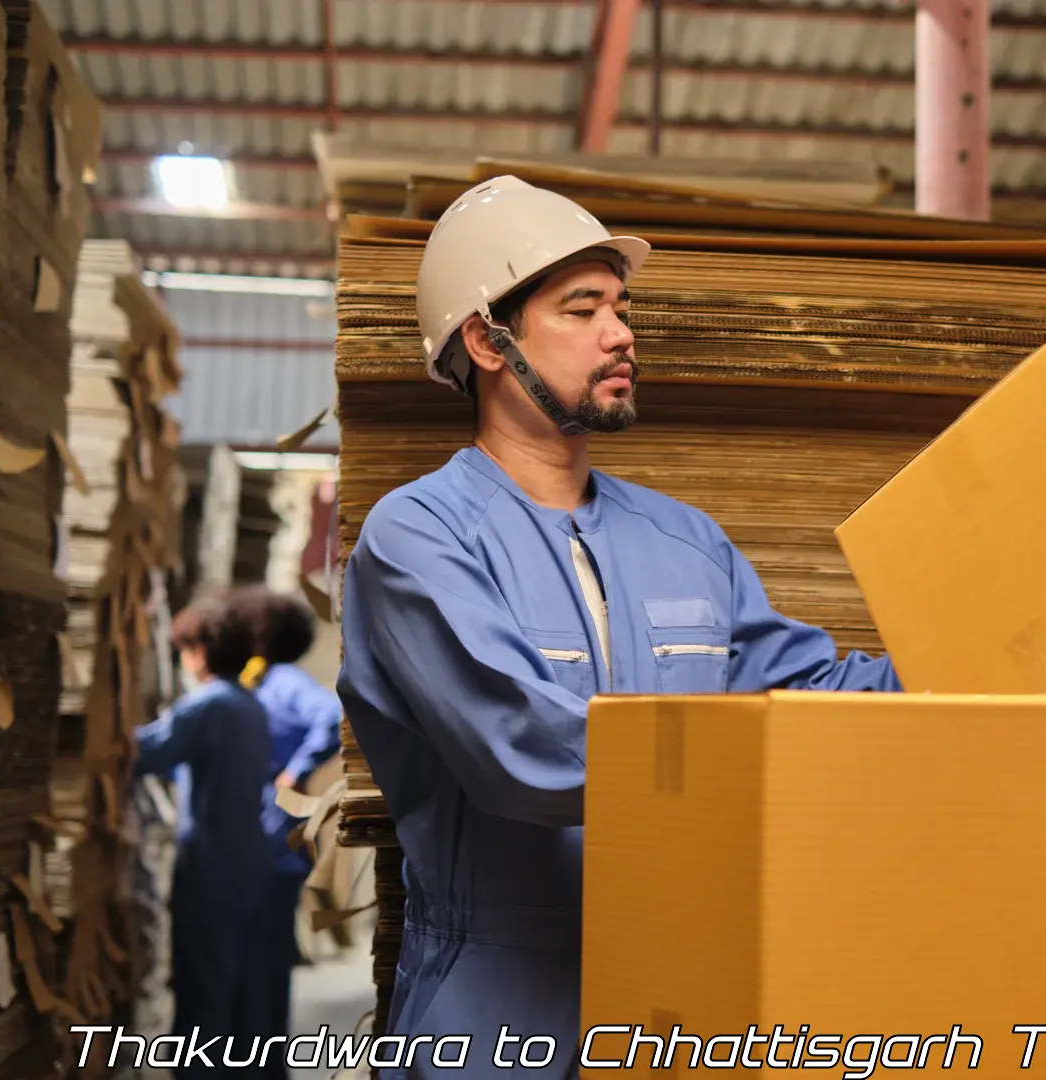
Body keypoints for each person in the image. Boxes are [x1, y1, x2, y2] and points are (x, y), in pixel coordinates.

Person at [336, 175, 902, 1079]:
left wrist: (991, 674)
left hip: (679, 993)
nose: (622, 332)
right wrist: (761, 756)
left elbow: (809, 690)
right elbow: (524, 749)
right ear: (489, 340)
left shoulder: (685, 540)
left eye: (623, 307)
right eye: (583, 308)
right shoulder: (420, 537)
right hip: (498, 1009)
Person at [133, 596, 275, 1077]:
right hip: (251, 859)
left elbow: (145, 752)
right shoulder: (251, 706)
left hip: (211, 863)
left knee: (201, 988)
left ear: (199, 651)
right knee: (235, 985)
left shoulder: (209, 704)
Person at [229, 584, 345, 1078]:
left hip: (273, 841)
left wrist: (294, 771)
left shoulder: (282, 683)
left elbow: (331, 716)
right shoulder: (253, 682)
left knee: (265, 959)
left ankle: (266, 1065)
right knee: (250, 959)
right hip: (255, 839)